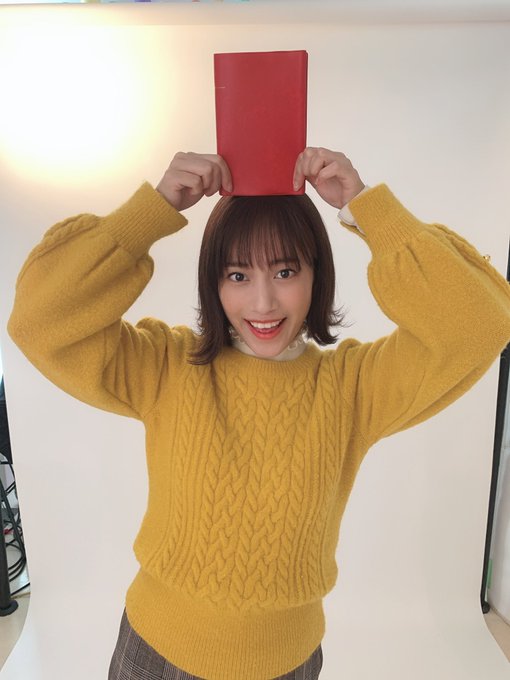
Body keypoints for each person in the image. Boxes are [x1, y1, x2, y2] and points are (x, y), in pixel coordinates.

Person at [7, 148, 510, 680]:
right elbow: (39, 321)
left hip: (287, 663)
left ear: (317, 274)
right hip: (153, 654)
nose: (264, 303)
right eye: (238, 275)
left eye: (285, 270)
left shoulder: (353, 388)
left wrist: (369, 209)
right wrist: (149, 213)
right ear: (213, 282)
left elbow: (480, 324)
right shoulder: (168, 367)